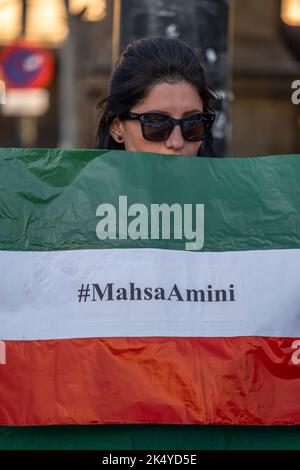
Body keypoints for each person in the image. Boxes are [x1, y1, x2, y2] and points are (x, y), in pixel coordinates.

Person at [96, 36, 219, 157]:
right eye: (156, 124)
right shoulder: (84, 177)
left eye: (193, 124)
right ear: (117, 127)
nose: (177, 143)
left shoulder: (230, 177)